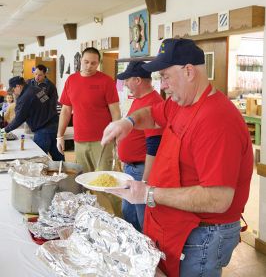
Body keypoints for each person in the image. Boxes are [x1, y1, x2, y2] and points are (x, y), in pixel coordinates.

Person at [101, 38, 253, 277]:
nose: (163, 86)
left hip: (202, 235)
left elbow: (218, 198)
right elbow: (151, 114)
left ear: (189, 71)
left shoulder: (216, 120)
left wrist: (148, 193)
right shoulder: (179, 103)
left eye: (165, 76)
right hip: (176, 225)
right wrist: (127, 122)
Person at [57, 47, 121, 173]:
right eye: (86, 62)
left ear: (98, 63)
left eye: (93, 63)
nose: (89, 66)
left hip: (103, 140)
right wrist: (60, 136)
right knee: (83, 178)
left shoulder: (106, 81)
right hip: (79, 139)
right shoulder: (71, 80)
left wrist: (117, 137)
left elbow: (115, 112)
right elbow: (65, 110)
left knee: (103, 180)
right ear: (81, 60)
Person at [116, 60, 163, 232]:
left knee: (143, 221)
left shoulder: (153, 102)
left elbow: (154, 145)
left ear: (137, 80)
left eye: (127, 80)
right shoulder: (139, 99)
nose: (126, 84)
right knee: (129, 218)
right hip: (131, 168)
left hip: (141, 170)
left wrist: (145, 181)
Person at [4, 76, 64, 161]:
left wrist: (5, 130)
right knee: (59, 159)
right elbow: (48, 104)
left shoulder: (25, 97)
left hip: (43, 131)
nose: (14, 93)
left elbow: (19, 118)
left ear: (18, 86)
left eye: (13, 90)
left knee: (39, 160)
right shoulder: (37, 90)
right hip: (54, 126)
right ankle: (63, 173)